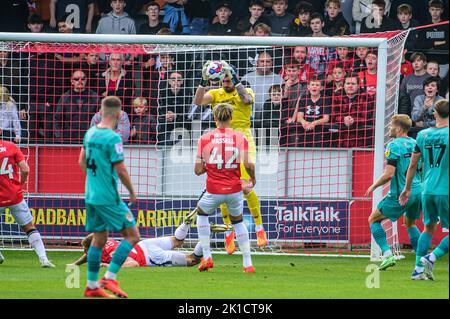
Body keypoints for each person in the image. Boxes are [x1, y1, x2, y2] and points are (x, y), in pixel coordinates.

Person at [193, 60, 268, 254]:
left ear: (234, 78)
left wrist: (235, 79)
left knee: (244, 185)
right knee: (223, 186)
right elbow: (198, 101)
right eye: (223, 81)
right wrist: (203, 82)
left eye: (228, 80)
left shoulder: (245, 90)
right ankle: (229, 234)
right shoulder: (216, 94)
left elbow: (247, 101)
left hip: (243, 138)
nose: (226, 84)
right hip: (222, 140)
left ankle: (260, 229)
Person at [79, 96, 140, 298]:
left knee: (99, 239)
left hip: (91, 194)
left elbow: (81, 160)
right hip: (108, 197)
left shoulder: (90, 133)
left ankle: (91, 286)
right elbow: (121, 170)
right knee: (132, 235)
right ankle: (110, 277)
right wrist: (131, 192)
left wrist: (95, 181)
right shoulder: (113, 138)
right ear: (118, 114)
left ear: (101, 112)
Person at [194, 103, 255, 272]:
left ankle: (207, 257)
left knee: (201, 213)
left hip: (213, 190)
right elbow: (248, 164)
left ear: (214, 118)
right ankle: (248, 264)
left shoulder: (204, 139)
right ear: (231, 118)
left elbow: (198, 170)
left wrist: (211, 165)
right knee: (238, 221)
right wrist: (252, 180)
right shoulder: (240, 137)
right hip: (234, 189)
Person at [365, 114, 423, 270]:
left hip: (401, 193)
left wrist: (374, 186)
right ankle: (421, 262)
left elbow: (389, 174)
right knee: (409, 223)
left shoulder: (393, 145)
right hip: (417, 190)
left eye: (391, 125)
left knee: (373, 219)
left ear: (398, 128)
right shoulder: (415, 143)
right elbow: (421, 167)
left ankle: (387, 254)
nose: (389, 128)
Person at [400, 99, 448, 280]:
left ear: (434, 113)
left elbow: (413, 165)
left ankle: (418, 270)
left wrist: (406, 188)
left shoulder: (422, 135)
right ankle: (431, 257)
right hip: (446, 189)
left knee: (428, 227)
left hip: (426, 189)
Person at [71, 214, 232, 267]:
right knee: (177, 240)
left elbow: (132, 264)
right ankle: (186, 223)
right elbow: (87, 256)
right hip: (144, 244)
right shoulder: (104, 242)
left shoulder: (111, 254)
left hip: (151, 257)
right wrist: (74, 264)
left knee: (193, 259)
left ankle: (208, 232)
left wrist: (108, 265)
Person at [0, 139, 54, 268]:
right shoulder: (11, 146)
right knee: (29, 227)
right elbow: (25, 169)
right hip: (14, 195)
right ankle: (44, 259)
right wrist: (19, 184)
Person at [53, 70, 99, 144]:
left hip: (90, 140)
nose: (80, 81)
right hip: (68, 140)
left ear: (86, 80)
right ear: (72, 81)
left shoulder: (94, 97)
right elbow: (57, 119)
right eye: (76, 79)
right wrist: (59, 138)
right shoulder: (65, 97)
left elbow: (100, 119)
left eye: (83, 79)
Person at [241, 51, 284, 126]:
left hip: (270, 122)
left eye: (267, 61)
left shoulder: (279, 79)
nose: (265, 64)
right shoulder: (246, 78)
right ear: (257, 63)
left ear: (272, 63)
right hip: (249, 120)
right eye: (262, 61)